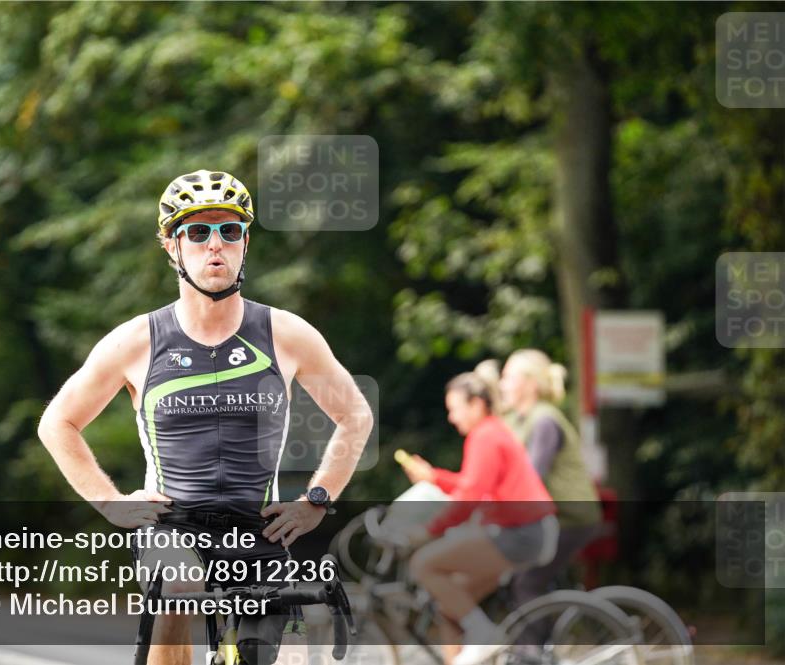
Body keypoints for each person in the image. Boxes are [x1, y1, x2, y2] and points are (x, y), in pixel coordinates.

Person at [37, 169, 373, 665]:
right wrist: (110, 503)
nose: (214, 244)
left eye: (229, 231)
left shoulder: (286, 334)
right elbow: (57, 423)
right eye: (197, 232)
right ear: (172, 246)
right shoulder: (137, 341)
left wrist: (317, 500)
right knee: (180, 580)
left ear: (245, 243)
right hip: (170, 527)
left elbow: (355, 415)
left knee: (295, 660)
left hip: (257, 532)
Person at [403, 372, 558, 665]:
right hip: (527, 532)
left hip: (519, 534)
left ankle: (485, 636)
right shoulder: (493, 431)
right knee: (451, 604)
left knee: (423, 563)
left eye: (454, 408)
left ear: (476, 405)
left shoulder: (485, 436)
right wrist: (434, 477)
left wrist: (430, 530)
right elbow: (472, 485)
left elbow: (470, 497)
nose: (451, 417)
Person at [499, 349, 602, 608]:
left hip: (571, 518)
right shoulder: (517, 419)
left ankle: (532, 650)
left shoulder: (544, 420)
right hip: (552, 517)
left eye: (509, 377)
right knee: (522, 578)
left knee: (526, 582)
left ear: (531, 385)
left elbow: (532, 475)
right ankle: (540, 643)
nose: (502, 385)